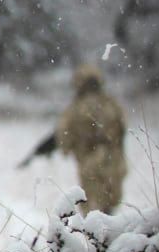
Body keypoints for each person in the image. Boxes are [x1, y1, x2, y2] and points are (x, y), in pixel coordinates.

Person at [53, 62, 128, 214]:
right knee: (110, 210)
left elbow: (64, 137)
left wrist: (69, 147)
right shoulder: (111, 103)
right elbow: (122, 129)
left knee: (92, 213)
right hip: (113, 162)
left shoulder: (76, 107)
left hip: (89, 165)